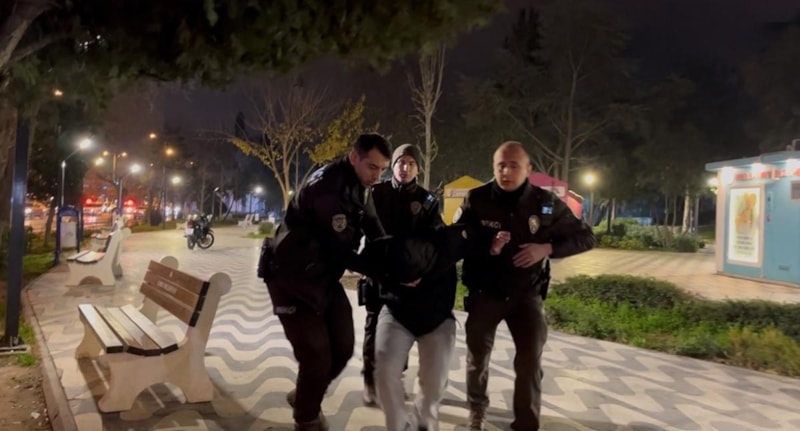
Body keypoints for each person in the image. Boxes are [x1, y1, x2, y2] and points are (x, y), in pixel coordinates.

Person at [456, 141, 596, 431]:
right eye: (501, 165)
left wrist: (546, 248)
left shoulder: (545, 203)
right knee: (477, 357)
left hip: (526, 294)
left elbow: (585, 237)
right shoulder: (476, 199)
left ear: (528, 169)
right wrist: (489, 247)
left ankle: (526, 422)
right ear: (493, 167)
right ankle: (477, 409)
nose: (506, 171)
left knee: (530, 360)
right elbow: (458, 240)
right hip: (486, 292)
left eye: (514, 166)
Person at [260, 134, 392, 431]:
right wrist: (385, 273)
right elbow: (339, 250)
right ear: (354, 157)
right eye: (373, 167)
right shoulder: (328, 188)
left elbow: (374, 227)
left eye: (382, 169)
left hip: (322, 277)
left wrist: (396, 256)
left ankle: (306, 393)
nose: (377, 175)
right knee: (316, 355)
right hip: (290, 280)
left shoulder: (361, 186)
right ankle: (306, 419)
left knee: (343, 348)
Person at [362, 144, 462, 431]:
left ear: (417, 168)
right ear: (392, 166)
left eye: (410, 163)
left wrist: (418, 267)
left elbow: (433, 237)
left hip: (409, 272)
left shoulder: (427, 199)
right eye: (400, 162)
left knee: (398, 335)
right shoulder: (376, 193)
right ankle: (372, 381)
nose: (404, 168)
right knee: (374, 329)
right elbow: (367, 229)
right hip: (381, 272)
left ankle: (399, 381)